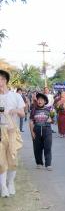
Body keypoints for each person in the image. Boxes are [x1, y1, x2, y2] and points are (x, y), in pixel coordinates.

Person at [0, 69, 25, 197]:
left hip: (12, 130)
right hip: (0, 130)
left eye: (1, 79)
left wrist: (14, 110)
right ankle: (3, 187)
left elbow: (23, 113)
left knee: (13, 160)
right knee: (1, 160)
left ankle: (10, 183)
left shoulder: (16, 96)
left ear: (5, 81)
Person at [29, 93, 53, 170]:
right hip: (37, 130)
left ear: (45, 101)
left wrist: (51, 120)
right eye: (38, 100)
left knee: (47, 147)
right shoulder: (34, 110)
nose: (40, 101)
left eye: (41, 100)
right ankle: (39, 163)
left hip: (47, 130)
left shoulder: (49, 109)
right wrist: (32, 133)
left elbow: (53, 120)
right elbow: (31, 122)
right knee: (37, 148)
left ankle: (48, 164)